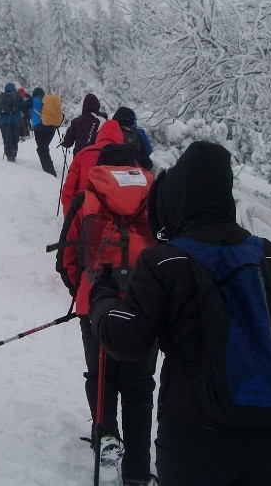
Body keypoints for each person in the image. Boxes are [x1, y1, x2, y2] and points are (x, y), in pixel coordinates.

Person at [89, 141, 271, 486]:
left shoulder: (165, 260)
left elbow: (128, 340)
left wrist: (103, 301)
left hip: (195, 439)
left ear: (176, 200)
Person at [55, 143, 158, 486]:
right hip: (145, 303)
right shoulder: (153, 198)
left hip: (96, 301)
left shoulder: (86, 200)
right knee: (140, 384)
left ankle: (106, 438)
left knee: (101, 375)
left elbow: (66, 259)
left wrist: (83, 290)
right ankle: (138, 469)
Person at [60, 119, 125, 216]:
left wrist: (70, 219)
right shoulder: (128, 157)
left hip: (86, 215)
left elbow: (69, 190)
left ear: (100, 134)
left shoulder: (84, 153)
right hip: (115, 220)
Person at [0, 83, 25, 162]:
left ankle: (8, 155)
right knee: (14, 139)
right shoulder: (18, 97)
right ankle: (13, 155)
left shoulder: (0, 97)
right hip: (16, 121)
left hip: (3, 121)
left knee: (6, 138)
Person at [25, 87, 58, 176]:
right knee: (44, 148)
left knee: (42, 149)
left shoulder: (34, 100)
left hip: (39, 127)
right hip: (52, 128)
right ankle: (49, 169)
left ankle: (50, 172)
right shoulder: (48, 101)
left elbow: (23, 106)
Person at [113, 107, 154, 171]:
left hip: (106, 171)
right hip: (131, 172)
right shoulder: (137, 133)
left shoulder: (105, 129)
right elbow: (148, 151)